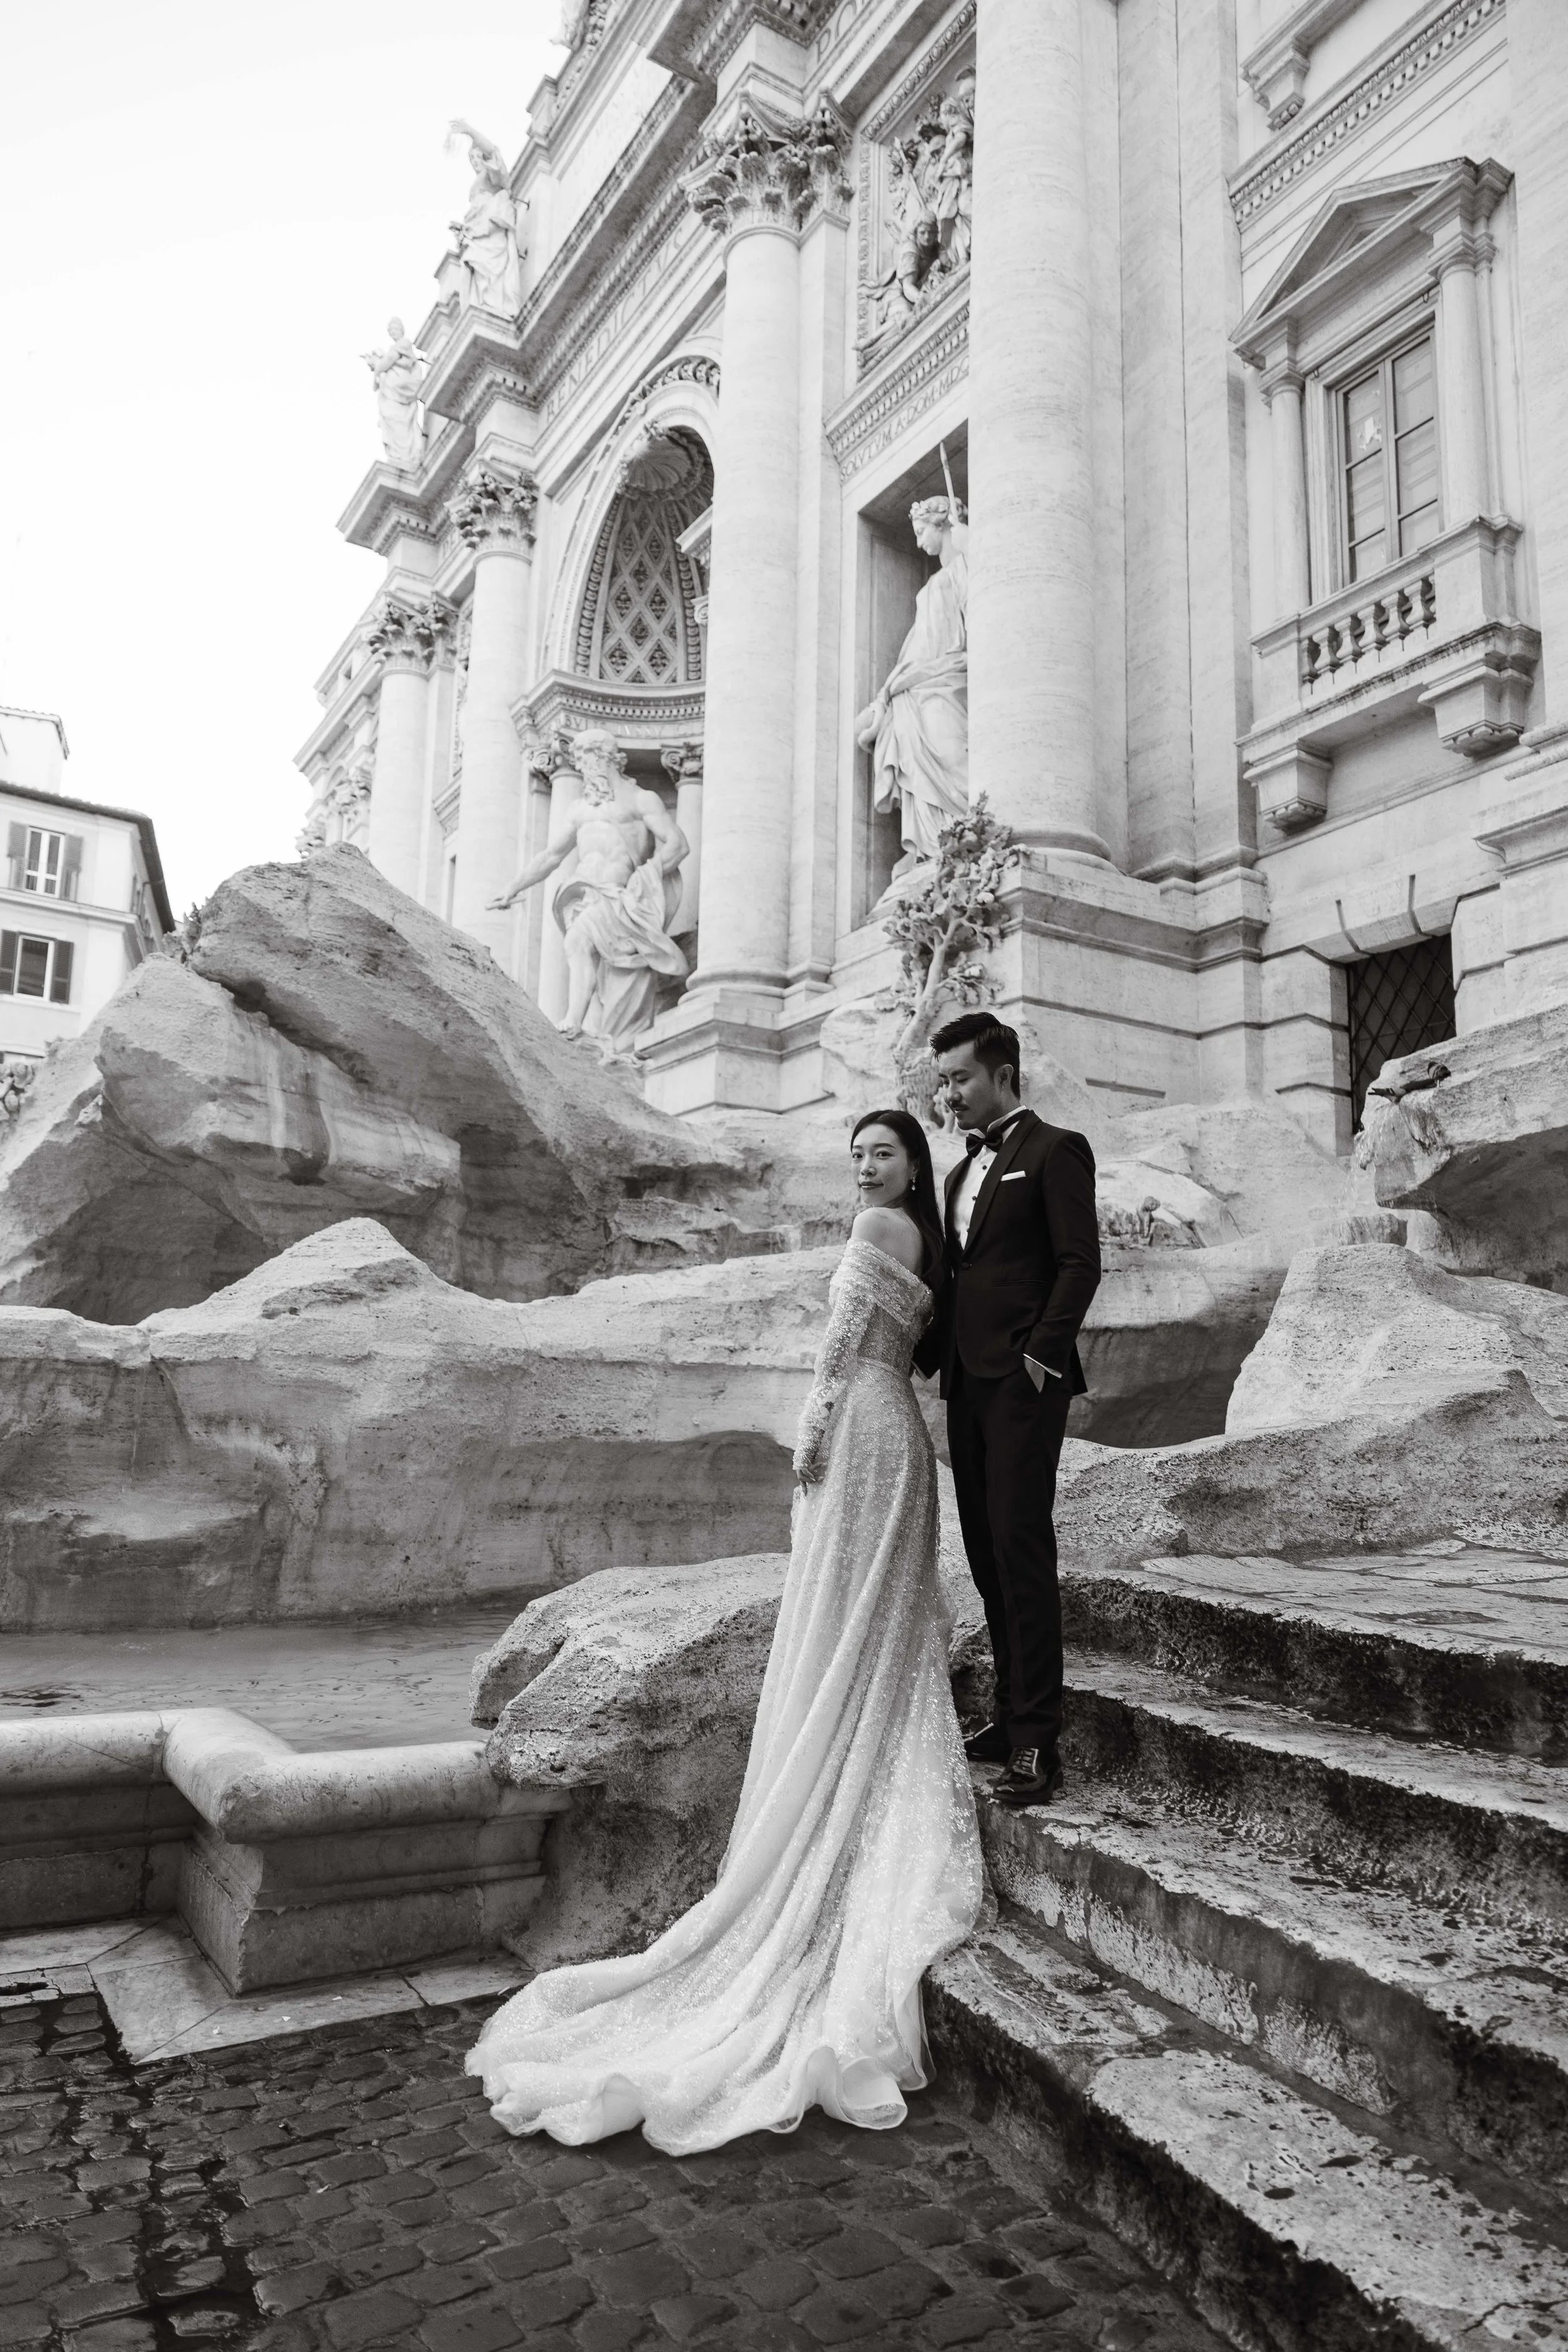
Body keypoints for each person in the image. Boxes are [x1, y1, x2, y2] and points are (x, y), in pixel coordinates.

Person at [467, 1108, 983, 2154]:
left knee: (844, 1618)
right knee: (876, 1630)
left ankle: (830, 1792)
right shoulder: (928, 1238)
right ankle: (861, 1764)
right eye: (857, 1155)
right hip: (900, 1435)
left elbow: (840, 1351)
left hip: (861, 1427)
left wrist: (812, 1432)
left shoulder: (876, 1230)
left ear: (910, 1162)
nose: (865, 1168)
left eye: (882, 1153)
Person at [916, 1011, 1101, 1809]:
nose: (948, 1094)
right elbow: (957, 1278)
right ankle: (1006, 1711)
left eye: (959, 1078)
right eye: (943, 1081)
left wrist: (1039, 1358)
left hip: (1024, 1383)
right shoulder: (958, 1173)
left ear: (1001, 1074)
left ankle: (1037, 1741)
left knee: (1021, 1551)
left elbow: (1078, 1264)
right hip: (966, 1380)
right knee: (987, 1553)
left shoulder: (1057, 1150)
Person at [487, 730, 688, 1054]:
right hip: (585, 895)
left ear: (609, 759)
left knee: (578, 942)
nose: (585, 769)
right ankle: (583, 1026)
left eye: (589, 760)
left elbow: (678, 845)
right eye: (580, 762)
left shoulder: (641, 800)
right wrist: (513, 887)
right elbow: (552, 856)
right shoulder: (579, 809)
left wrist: (645, 879)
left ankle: (574, 1021)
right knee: (586, 951)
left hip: (621, 898)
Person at [855, 498, 968, 868]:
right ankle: (931, 846)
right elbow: (915, 647)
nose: (919, 543)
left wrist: (971, 545)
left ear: (942, 524)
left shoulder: (964, 569)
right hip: (919, 682)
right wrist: (889, 691)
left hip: (948, 678)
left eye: (922, 533)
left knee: (951, 752)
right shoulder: (936, 582)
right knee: (911, 744)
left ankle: (966, 829)